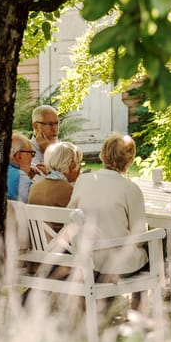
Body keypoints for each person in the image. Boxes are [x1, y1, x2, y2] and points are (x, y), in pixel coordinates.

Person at [68, 132, 148, 277]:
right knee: (156, 243)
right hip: (118, 265)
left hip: (87, 261)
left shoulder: (83, 180)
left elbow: (69, 217)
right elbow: (139, 236)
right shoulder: (131, 188)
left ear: (103, 154)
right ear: (130, 160)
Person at [28, 141, 82, 208]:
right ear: (73, 166)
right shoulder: (70, 191)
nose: (80, 168)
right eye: (80, 163)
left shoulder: (34, 188)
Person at [7, 132, 35, 203]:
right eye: (31, 153)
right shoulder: (21, 177)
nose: (32, 158)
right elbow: (39, 201)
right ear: (19, 155)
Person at [30, 104, 60, 169]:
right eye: (50, 124)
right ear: (36, 126)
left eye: (56, 123)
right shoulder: (26, 152)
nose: (54, 129)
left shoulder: (63, 148)